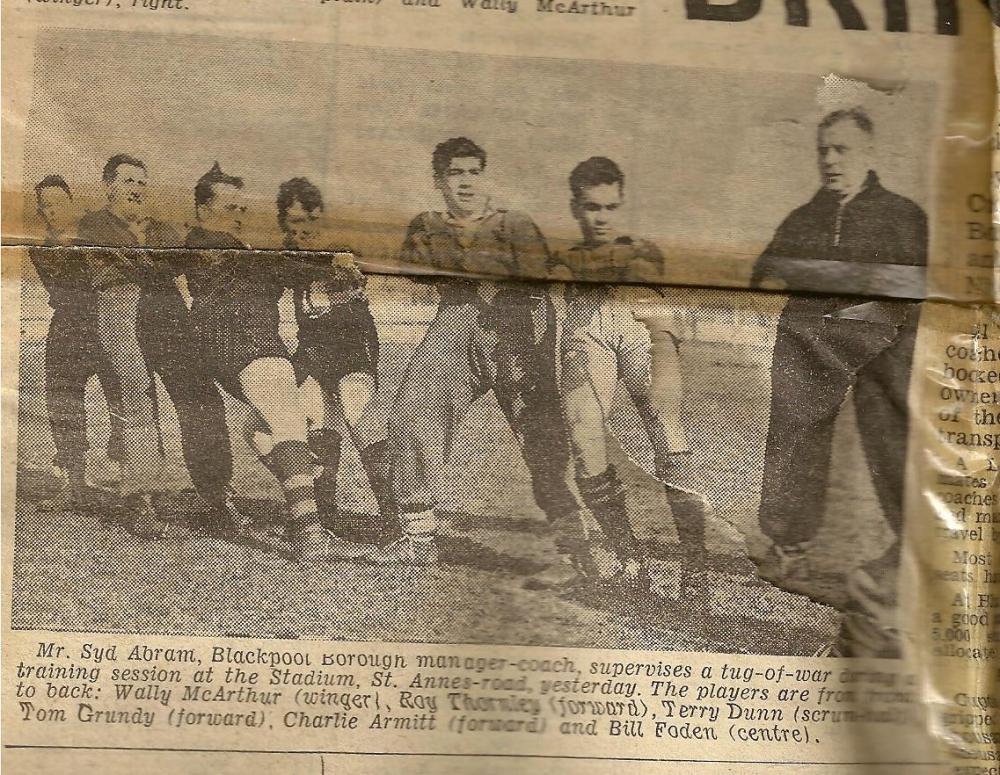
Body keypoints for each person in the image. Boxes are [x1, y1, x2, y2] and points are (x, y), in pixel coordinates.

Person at [749, 108, 927, 656]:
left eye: (842, 149)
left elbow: (917, 280)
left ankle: (910, 556)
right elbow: (764, 269)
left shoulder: (901, 214)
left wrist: (835, 283)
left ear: (869, 154)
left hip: (887, 338)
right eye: (823, 149)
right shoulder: (803, 216)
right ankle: (787, 542)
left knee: (894, 440)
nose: (830, 159)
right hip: (812, 336)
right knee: (793, 433)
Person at [383, 137, 588, 578]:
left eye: (474, 172)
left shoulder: (515, 223)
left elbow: (544, 281)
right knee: (411, 409)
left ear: (485, 176)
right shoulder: (426, 224)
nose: (466, 182)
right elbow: (410, 270)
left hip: (517, 327)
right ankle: (418, 535)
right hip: (457, 322)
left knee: (543, 439)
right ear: (439, 180)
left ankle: (576, 546)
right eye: (456, 173)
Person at [180, 163, 366, 562]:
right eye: (229, 206)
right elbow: (267, 267)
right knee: (285, 418)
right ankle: (310, 529)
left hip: (239, 343)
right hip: (242, 338)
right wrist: (328, 261)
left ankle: (308, 501)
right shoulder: (204, 241)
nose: (238, 214)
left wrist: (334, 272)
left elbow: (279, 269)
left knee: (260, 428)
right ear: (201, 210)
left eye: (242, 208)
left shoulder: (239, 248)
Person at [557, 157, 710, 597]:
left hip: (644, 327)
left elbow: (663, 320)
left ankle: (695, 568)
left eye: (610, 207)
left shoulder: (644, 252)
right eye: (592, 207)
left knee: (668, 431)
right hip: (588, 328)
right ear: (575, 208)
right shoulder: (567, 260)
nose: (601, 217)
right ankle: (627, 559)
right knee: (585, 441)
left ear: (622, 205)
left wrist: (665, 362)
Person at [78, 154, 245, 538]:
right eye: (128, 182)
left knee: (201, 399)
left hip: (168, 315)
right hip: (121, 312)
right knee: (138, 400)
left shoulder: (162, 229)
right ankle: (141, 503)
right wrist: (168, 260)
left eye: (142, 182)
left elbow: (196, 256)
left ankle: (216, 498)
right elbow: (142, 264)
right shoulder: (94, 224)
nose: (137, 189)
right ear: (108, 186)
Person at [270, 177, 399, 545]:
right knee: (312, 422)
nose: (302, 230)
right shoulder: (287, 256)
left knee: (357, 412)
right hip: (312, 350)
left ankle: (394, 514)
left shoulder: (340, 252)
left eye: (309, 221)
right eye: (294, 223)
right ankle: (323, 513)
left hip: (350, 347)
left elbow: (357, 283)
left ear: (320, 219)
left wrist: (345, 265)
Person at [29, 175, 123, 511]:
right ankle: (74, 487)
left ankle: (134, 490)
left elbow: (111, 281)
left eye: (57, 202)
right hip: (66, 328)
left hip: (107, 324)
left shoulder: (96, 234)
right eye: (45, 205)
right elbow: (57, 292)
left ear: (72, 202)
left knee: (123, 402)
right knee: (62, 404)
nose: (51, 210)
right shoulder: (39, 249)